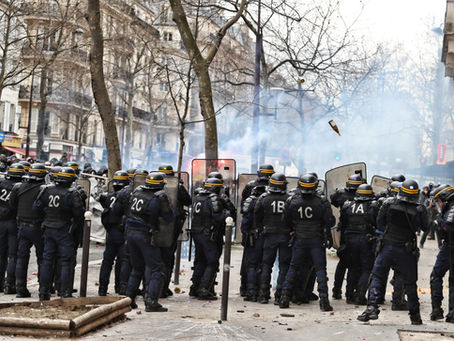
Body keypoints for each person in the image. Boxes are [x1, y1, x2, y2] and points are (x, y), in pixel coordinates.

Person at [358, 180, 428, 325]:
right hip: (406, 249)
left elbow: (380, 223)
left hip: (388, 246)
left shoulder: (389, 203)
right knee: (410, 283)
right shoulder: (420, 208)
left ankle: (371, 307)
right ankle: (415, 317)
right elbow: (425, 227)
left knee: (377, 276)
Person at [115, 172, 174, 312]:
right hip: (145, 235)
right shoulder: (159, 197)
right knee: (156, 268)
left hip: (130, 233)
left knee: (137, 267)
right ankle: (151, 301)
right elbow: (169, 218)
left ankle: (129, 300)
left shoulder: (137, 191)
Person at [279, 174, 334, 311]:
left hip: (299, 239)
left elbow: (285, 220)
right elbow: (330, 221)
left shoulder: (292, 201)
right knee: (321, 270)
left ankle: (284, 299)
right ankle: (324, 302)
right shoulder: (321, 201)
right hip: (316, 240)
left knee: (293, 268)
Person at [34, 167, 85, 300]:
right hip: (64, 230)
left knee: (47, 261)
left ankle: (43, 292)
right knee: (65, 261)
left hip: (48, 229)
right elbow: (79, 214)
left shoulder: (46, 189)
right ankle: (64, 292)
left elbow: (37, 207)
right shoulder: (72, 193)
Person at [9, 163, 47, 298]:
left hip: (22, 227)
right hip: (38, 228)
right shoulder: (44, 189)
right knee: (42, 258)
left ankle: (20, 289)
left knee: (21, 258)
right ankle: (43, 290)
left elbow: (12, 205)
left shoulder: (18, 187)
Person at [339, 184, 378, 304]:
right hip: (366, 240)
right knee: (366, 269)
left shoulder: (348, 205)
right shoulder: (373, 206)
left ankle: (349, 295)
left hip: (350, 240)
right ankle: (360, 296)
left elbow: (342, 223)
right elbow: (377, 223)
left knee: (352, 268)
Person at [255, 173, 291, 304]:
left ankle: (263, 295)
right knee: (283, 266)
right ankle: (279, 296)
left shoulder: (264, 198)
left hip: (269, 236)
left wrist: (262, 229)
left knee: (266, 266)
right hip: (285, 236)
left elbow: (257, 216)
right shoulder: (289, 198)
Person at [189, 177, 227, 300]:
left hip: (196, 233)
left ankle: (194, 287)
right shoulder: (213, 199)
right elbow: (219, 218)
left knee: (200, 261)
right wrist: (227, 213)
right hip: (207, 235)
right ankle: (204, 289)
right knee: (212, 262)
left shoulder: (198, 197)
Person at [157, 165, 191, 298]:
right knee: (167, 258)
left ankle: (154, 288)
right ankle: (162, 288)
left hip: (158, 227)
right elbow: (188, 201)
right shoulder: (178, 186)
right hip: (171, 226)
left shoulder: (152, 186)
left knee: (155, 258)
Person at [331, 174, 363, 300]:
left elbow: (333, 199)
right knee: (355, 264)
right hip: (357, 234)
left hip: (345, 232)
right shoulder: (362, 196)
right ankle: (350, 292)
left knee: (343, 263)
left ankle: (336, 290)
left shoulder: (341, 195)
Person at [98, 171, 129, 296]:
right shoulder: (125, 197)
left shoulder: (108, 196)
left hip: (111, 232)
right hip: (121, 232)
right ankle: (120, 288)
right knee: (122, 261)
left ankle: (102, 288)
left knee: (107, 261)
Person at [428, 184, 454, 322]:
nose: (437, 204)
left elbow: (449, 227)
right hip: (448, 245)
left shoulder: (452, 207)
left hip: (450, 247)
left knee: (436, 275)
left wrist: (439, 221)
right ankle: (441, 311)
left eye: (438, 200)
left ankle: (438, 310)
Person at [0, 163, 25, 294]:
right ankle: (10, 284)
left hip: (0, 222)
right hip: (13, 223)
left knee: (0, 254)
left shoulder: (1, 183)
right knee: (12, 255)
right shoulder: (20, 187)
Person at [242, 184, 267, 302]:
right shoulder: (268, 200)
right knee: (265, 265)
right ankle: (263, 293)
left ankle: (251, 292)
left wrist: (245, 235)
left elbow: (245, 223)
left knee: (252, 265)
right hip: (267, 237)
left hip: (253, 236)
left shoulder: (250, 201)